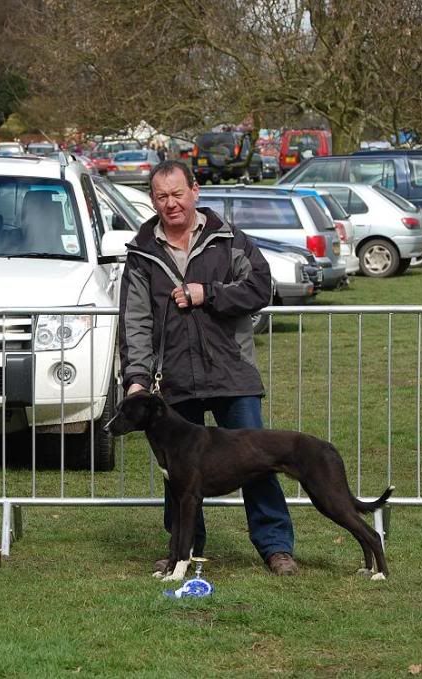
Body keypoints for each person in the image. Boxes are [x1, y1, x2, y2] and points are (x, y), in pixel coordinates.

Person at [117, 160, 299, 576]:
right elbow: (136, 321)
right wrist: (137, 379)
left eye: (178, 194)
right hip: (176, 380)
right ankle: (184, 549)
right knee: (178, 475)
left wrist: (208, 294)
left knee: (258, 464)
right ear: (152, 199)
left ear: (194, 191)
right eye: (162, 196)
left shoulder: (229, 239)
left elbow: (260, 288)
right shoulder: (142, 252)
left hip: (232, 374)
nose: (171, 204)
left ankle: (276, 548)